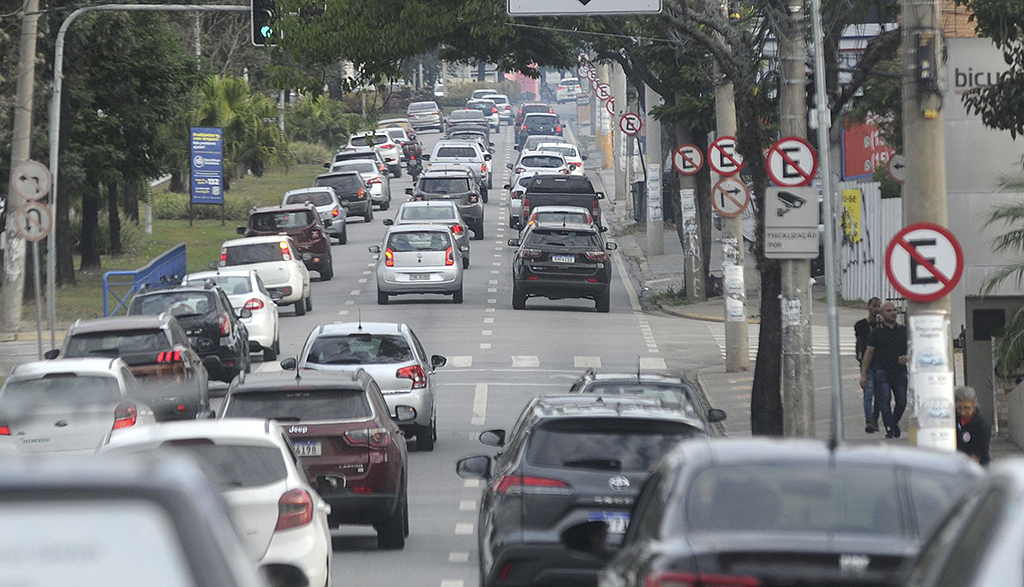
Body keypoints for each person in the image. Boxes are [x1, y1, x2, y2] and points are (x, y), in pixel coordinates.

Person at [859, 302, 908, 438]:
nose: (893, 313)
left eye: (894, 310)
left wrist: (907, 357)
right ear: (881, 314)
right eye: (888, 311)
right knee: (884, 401)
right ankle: (889, 429)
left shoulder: (903, 331)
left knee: (902, 401)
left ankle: (895, 421)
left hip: (900, 371)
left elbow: (913, 348)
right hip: (882, 371)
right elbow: (868, 354)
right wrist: (864, 374)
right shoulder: (876, 333)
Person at [854, 297, 882, 433]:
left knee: (879, 393)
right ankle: (869, 420)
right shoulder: (861, 325)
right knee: (868, 392)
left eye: (879, 306)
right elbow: (859, 341)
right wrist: (859, 354)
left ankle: (875, 418)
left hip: (880, 363)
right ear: (869, 307)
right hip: (867, 362)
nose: (877, 309)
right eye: (874, 306)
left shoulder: (882, 325)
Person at [955, 386, 991, 465]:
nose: (963, 412)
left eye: (967, 408)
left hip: (975, 467)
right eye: (959, 408)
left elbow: (976, 457)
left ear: (974, 403)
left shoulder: (982, 426)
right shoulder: (954, 419)